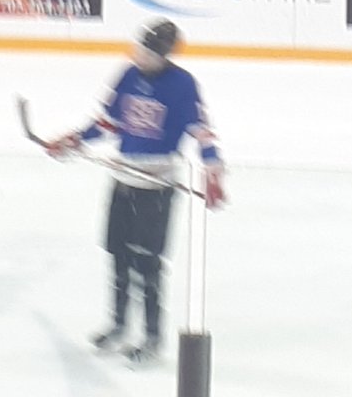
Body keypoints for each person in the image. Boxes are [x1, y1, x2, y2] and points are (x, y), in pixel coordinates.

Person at [49, 19, 225, 366]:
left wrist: (214, 171)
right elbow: (109, 122)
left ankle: (152, 335)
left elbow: (201, 131)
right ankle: (117, 325)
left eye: (146, 51)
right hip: (124, 181)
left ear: (162, 55)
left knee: (148, 262)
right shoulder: (128, 75)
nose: (138, 55)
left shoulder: (182, 85)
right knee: (117, 253)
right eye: (139, 48)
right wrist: (74, 140)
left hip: (156, 188)